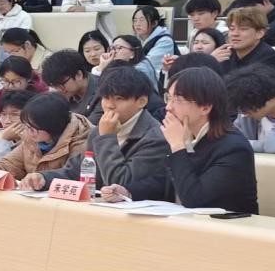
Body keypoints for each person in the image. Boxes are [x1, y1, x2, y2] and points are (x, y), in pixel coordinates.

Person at [24, 66, 169, 199]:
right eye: (106, 98)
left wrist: (107, 137)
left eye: (119, 99)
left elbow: (120, 184)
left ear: (141, 101)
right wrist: (44, 178)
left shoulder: (155, 137)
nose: (109, 105)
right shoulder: (100, 130)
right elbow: (78, 170)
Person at [134, 67, 259, 213]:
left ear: (205, 107)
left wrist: (177, 146)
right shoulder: (185, 135)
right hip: (187, 222)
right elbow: (166, 181)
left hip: (226, 224)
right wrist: (128, 192)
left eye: (178, 100)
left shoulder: (233, 148)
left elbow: (195, 200)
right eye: (169, 98)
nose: (168, 107)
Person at [0, 93, 91, 180]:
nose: (29, 132)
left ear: (52, 125)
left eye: (34, 128)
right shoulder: (31, 138)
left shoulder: (81, 143)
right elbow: (9, 164)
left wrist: (41, 180)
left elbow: (72, 176)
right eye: (27, 126)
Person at [217, 7, 275, 74]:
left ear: (260, 33)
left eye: (243, 29)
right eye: (232, 29)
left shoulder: (267, 58)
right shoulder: (226, 54)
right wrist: (212, 61)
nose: (235, 34)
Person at [40, 49, 95, 115]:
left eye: (61, 84)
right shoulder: (67, 95)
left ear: (78, 75)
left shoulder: (101, 92)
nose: (59, 90)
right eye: (55, 86)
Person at [93, 34, 158, 87]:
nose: (113, 52)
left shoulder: (140, 70)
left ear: (133, 53)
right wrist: (101, 67)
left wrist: (102, 69)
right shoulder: (122, 67)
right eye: (112, 48)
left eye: (119, 48)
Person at [131, 6, 175, 76]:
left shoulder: (165, 41)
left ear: (154, 23)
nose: (137, 24)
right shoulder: (139, 39)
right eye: (135, 20)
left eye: (142, 20)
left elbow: (147, 65)